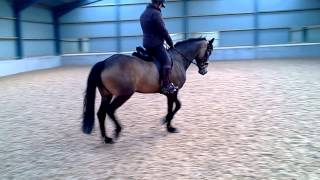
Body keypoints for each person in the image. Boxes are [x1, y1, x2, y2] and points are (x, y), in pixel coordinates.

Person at [140, 0, 178, 94]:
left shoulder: (144, 13)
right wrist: (170, 43)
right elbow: (163, 30)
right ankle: (166, 84)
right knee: (167, 60)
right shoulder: (156, 13)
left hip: (146, 43)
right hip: (155, 44)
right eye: (161, 5)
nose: (161, 7)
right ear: (159, 3)